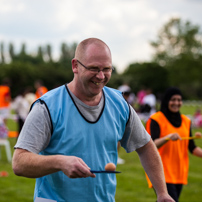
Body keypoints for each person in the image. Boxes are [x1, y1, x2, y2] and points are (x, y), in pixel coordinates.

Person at [12, 38, 174, 202]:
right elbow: (19, 162)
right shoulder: (47, 106)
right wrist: (59, 162)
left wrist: (162, 193)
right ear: (75, 65)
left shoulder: (119, 104)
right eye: (94, 68)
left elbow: (145, 146)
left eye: (107, 69)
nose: (101, 76)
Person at [145, 87, 202, 202]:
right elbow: (151, 145)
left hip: (179, 172)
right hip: (161, 172)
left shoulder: (186, 121)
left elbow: (192, 148)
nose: (176, 103)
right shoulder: (156, 119)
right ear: (166, 101)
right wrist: (168, 137)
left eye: (179, 100)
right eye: (173, 100)